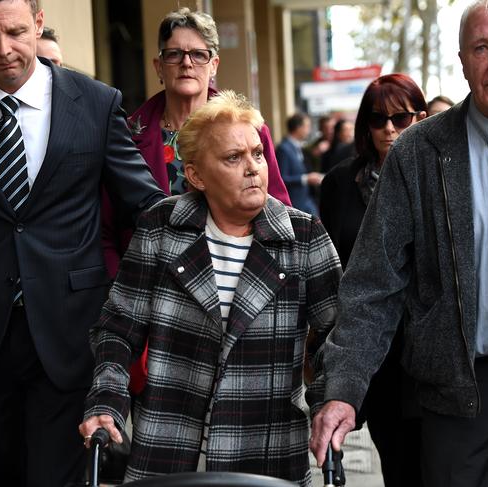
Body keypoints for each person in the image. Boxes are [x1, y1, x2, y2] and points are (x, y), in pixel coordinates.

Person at [309, 1, 488, 486]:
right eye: (481, 48)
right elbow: (373, 283)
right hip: (457, 385)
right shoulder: (417, 153)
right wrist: (343, 387)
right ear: (462, 60)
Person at [80, 91, 341, 485]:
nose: (253, 168)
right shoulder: (161, 227)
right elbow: (118, 329)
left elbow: (335, 337)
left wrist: (329, 403)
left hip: (267, 455)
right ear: (197, 175)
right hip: (168, 451)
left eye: (256, 153)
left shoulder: (304, 236)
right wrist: (106, 400)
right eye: (233, 158)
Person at [0, 0, 165, 486]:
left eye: (15, 32)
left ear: (39, 23)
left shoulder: (95, 103)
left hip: (70, 338)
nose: (4, 49)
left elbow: (145, 205)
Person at [101, 8, 291, 395]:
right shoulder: (126, 134)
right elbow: (106, 227)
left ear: (214, 63)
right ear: (158, 65)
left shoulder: (249, 128)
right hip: (155, 311)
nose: (186, 62)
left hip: (236, 298)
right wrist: (126, 294)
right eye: (174, 54)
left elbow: (277, 209)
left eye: (198, 54)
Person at [319, 73, 427, 486]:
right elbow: (329, 263)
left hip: (428, 351)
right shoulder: (341, 182)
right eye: (378, 119)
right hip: (372, 353)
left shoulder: (435, 175)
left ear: (419, 118)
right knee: (397, 464)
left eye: (400, 119)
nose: (389, 129)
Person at [276, 112, 322, 215]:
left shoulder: (297, 146)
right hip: (295, 203)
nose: (308, 131)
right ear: (298, 127)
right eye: (307, 126)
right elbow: (282, 178)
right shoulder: (284, 149)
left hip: (306, 200)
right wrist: (306, 179)